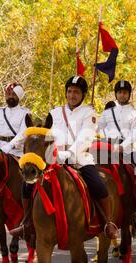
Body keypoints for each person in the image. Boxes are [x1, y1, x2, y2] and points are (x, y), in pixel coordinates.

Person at [49, 75, 118, 239]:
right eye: (70, 91)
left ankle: (108, 223)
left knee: (99, 187)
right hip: (55, 160)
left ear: (83, 95)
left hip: (80, 160)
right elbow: (48, 135)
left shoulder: (90, 113)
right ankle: (27, 223)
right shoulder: (55, 112)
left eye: (76, 92)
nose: (72, 95)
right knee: (29, 185)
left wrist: (69, 154)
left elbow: (85, 137)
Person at [97, 80, 136, 218]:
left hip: (126, 149)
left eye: (125, 92)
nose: (122, 95)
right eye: (119, 92)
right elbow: (98, 127)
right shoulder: (107, 112)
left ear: (129, 94)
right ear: (116, 94)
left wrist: (122, 147)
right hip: (107, 147)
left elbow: (135, 133)